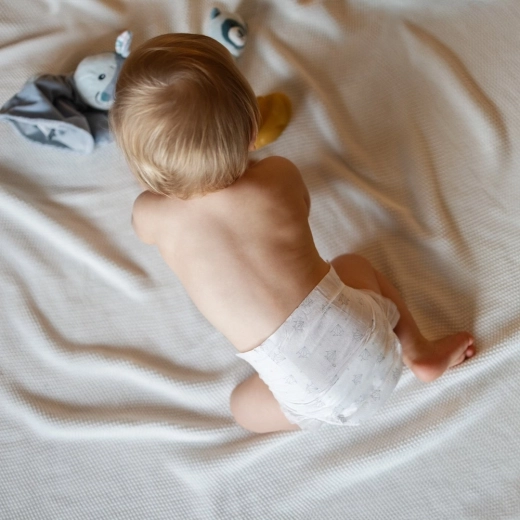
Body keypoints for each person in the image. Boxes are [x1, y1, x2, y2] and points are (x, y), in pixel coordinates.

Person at [109, 33, 475, 434]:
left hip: (312, 399)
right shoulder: (278, 175)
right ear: (253, 130)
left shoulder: (151, 214)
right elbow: (301, 208)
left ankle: (323, 398)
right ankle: (418, 350)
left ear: (139, 167)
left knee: (240, 408)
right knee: (352, 263)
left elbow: (143, 229)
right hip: (373, 341)